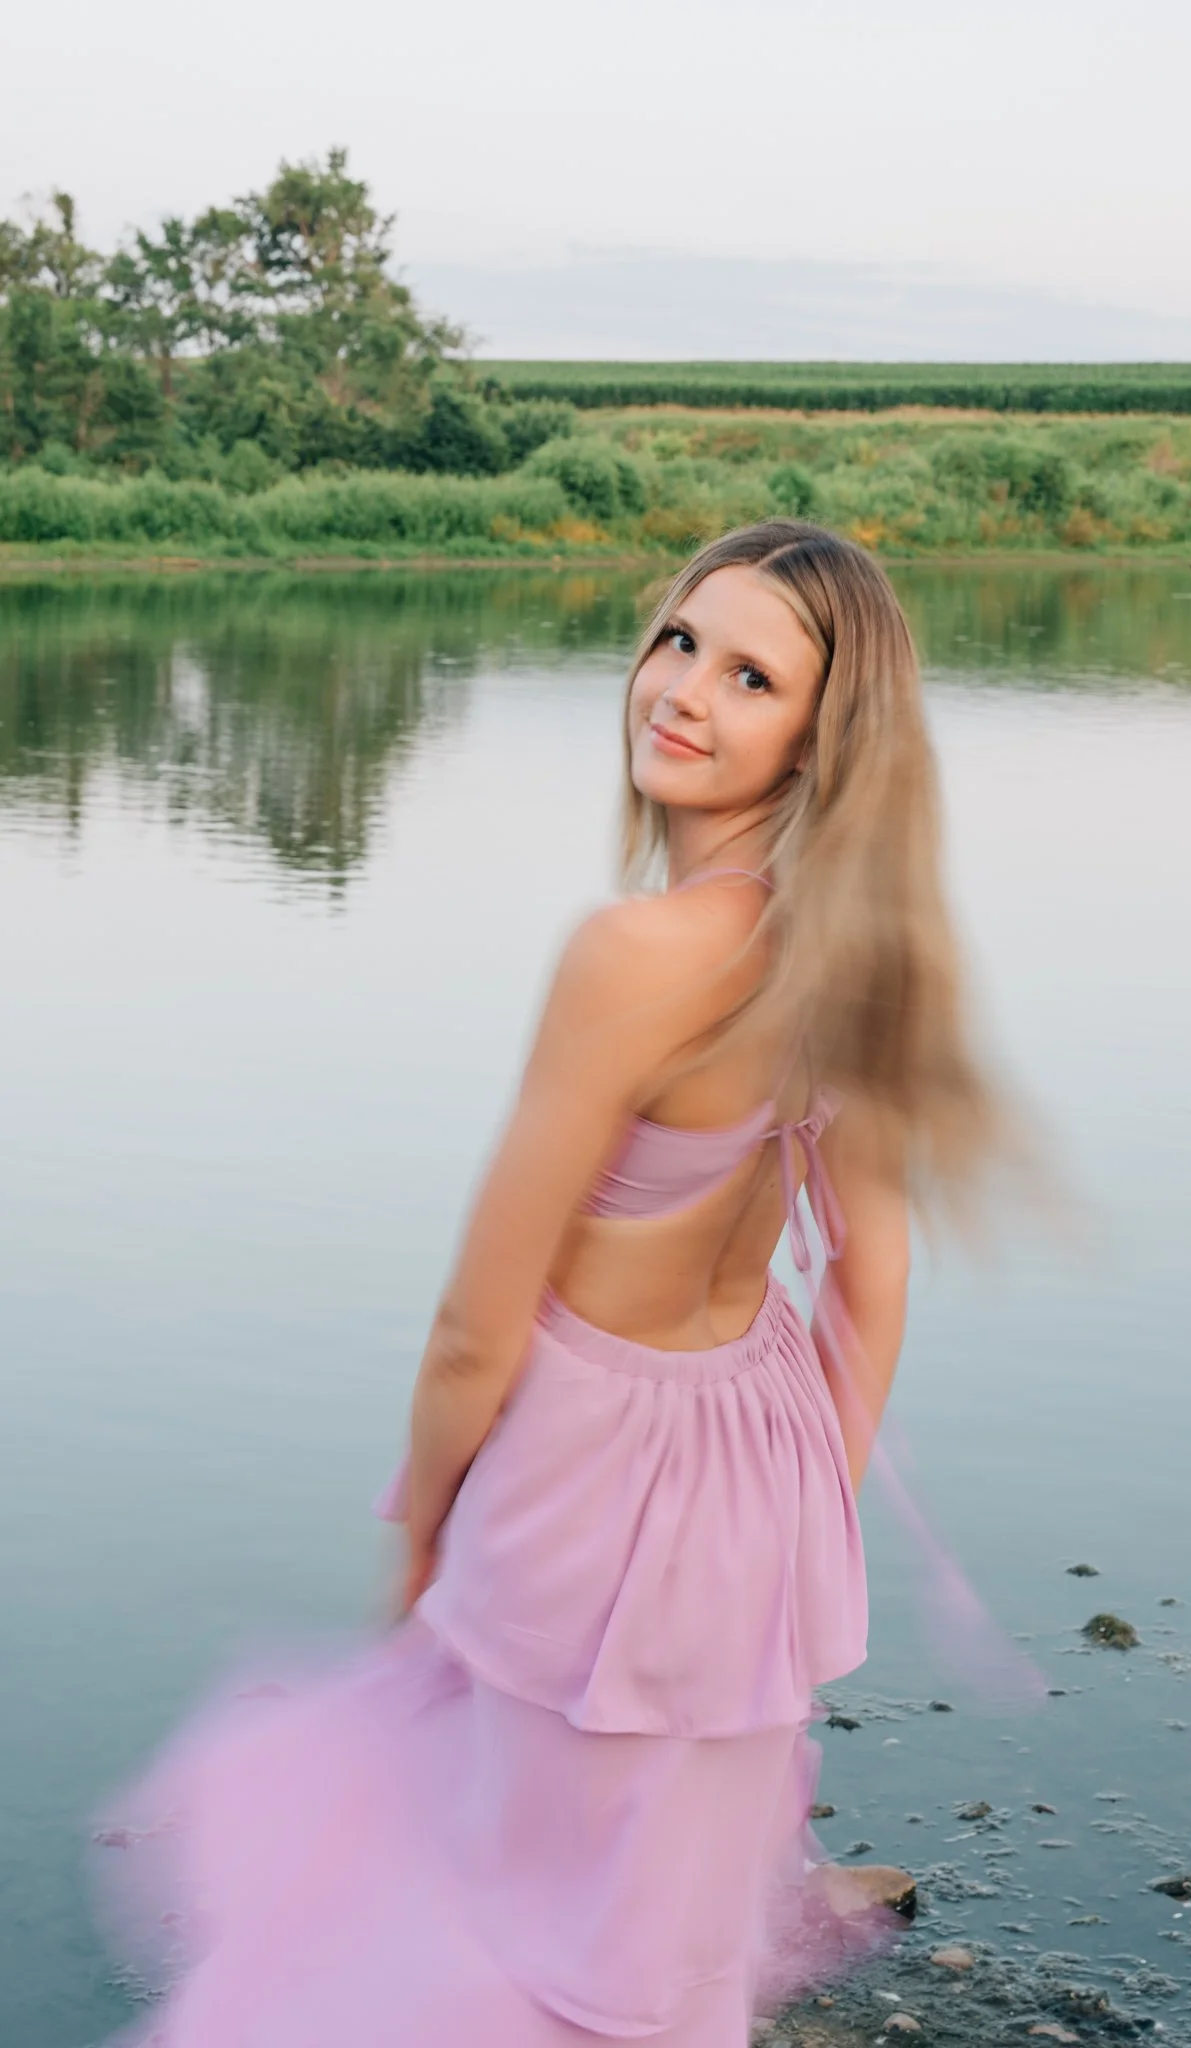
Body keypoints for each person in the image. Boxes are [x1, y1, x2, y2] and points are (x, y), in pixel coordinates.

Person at [93, 521, 1011, 2047]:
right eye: (678, 642)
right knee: (660, 1946)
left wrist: (426, 1544)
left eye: (750, 676)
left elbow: (475, 1329)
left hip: (584, 1477)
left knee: (502, 1927)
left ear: (816, 743)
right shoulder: (852, 955)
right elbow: (875, 1279)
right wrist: (805, 1517)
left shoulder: (634, 954)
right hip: (757, 1459)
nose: (685, 691)